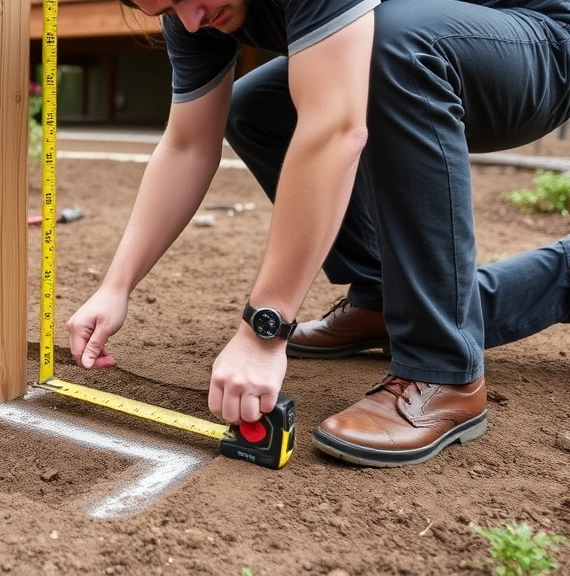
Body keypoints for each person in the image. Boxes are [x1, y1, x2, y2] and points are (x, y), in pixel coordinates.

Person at [66, 0, 570, 467]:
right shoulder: (193, 15)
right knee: (253, 109)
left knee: (391, 45)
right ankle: (381, 298)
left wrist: (263, 332)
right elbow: (187, 145)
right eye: (166, 9)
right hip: (421, 42)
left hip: (539, 43)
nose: (191, 20)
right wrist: (116, 286)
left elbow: (334, 129)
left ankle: (442, 366)